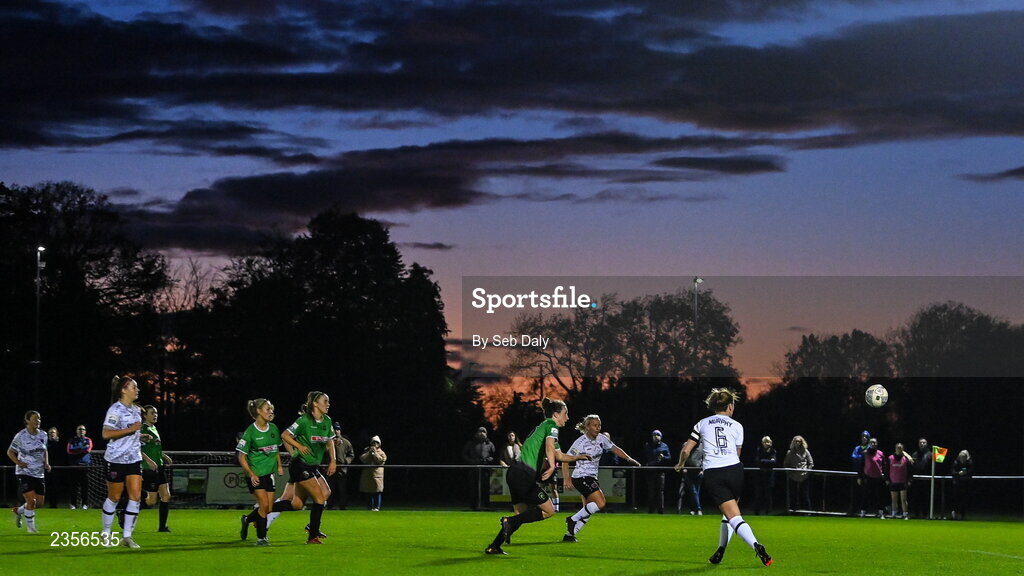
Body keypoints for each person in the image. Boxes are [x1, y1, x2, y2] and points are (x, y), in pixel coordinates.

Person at [673, 388, 772, 567]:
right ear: (730, 407)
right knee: (729, 515)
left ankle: (756, 545)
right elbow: (737, 453)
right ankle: (720, 550)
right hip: (735, 470)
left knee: (734, 517)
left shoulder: (702, 423)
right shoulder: (737, 426)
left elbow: (686, 450)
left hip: (714, 473)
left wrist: (680, 464)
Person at [484, 398, 591, 556]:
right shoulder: (551, 425)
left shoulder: (544, 427)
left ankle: (494, 546)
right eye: (565, 414)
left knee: (520, 515)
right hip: (524, 473)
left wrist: (577, 457)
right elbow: (549, 448)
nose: (567, 418)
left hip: (514, 473)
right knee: (549, 510)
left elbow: (558, 454)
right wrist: (553, 466)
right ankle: (508, 522)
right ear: (556, 414)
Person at [561, 414, 639, 542]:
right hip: (581, 477)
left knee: (588, 509)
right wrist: (566, 479)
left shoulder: (602, 439)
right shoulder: (580, 443)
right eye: (595, 425)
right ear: (587, 427)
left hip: (591, 477)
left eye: (599, 425)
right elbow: (565, 460)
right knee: (600, 503)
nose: (598, 428)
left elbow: (615, 449)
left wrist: (629, 458)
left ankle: (569, 535)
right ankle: (572, 519)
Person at [101, 376, 158, 549]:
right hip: (116, 459)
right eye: (134, 387)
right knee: (114, 497)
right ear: (124, 390)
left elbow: (131, 433)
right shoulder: (114, 410)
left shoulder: (135, 410)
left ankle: (127, 536)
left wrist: (140, 436)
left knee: (136, 497)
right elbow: (106, 434)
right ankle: (106, 532)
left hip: (133, 458)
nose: (137, 390)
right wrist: (131, 430)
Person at [279, 391, 336, 544]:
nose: (328, 404)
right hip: (300, 465)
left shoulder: (327, 420)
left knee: (299, 503)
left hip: (313, 466)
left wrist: (333, 461)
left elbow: (330, 441)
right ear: (315, 404)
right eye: (325, 401)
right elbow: (285, 435)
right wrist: (298, 446)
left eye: (328, 402)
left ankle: (259, 513)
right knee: (319, 499)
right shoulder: (304, 421)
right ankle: (313, 536)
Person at [236, 398, 283, 546]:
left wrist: (279, 465)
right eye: (268, 409)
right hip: (255, 474)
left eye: (271, 409)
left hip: (269, 474)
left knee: (268, 508)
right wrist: (251, 474)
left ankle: (247, 520)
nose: (271, 412)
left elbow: (276, 450)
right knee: (263, 505)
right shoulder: (250, 432)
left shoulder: (274, 428)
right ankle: (261, 538)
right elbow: (241, 456)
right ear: (258, 411)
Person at [8, 410, 51, 533]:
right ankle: (31, 528)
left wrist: (46, 462)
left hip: (39, 472)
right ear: (27, 420)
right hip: (24, 472)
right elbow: (10, 452)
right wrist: (20, 463)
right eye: (35, 419)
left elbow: (44, 450)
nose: (38, 421)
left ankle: (19, 511)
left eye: (39, 419)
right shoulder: (20, 436)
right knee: (31, 501)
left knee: (39, 503)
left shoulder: (43, 434)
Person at [141, 405, 174, 532]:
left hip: (159, 466)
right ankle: (125, 511)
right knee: (151, 501)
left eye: (156, 413)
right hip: (148, 468)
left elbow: (154, 448)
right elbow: (136, 448)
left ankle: (162, 527)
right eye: (152, 413)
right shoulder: (142, 429)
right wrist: (148, 461)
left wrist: (163, 456)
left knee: (166, 496)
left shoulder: (153, 428)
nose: (155, 415)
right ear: (145, 415)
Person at [462, 426, 497, 510]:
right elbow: (464, 455)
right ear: (476, 434)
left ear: (486, 434)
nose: (482, 433)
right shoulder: (471, 443)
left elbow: (494, 456)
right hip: (474, 469)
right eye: (480, 432)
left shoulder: (490, 444)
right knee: (473, 488)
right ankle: (473, 506)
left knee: (486, 488)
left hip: (485, 469)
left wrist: (488, 460)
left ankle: (486, 505)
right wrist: (472, 461)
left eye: (484, 432)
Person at [642, 429, 671, 514]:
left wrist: (663, 457)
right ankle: (651, 510)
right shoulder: (648, 446)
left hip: (660, 472)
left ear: (661, 437)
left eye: (657, 435)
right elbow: (643, 457)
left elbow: (669, 458)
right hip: (650, 472)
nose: (656, 436)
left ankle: (660, 511)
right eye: (654, 435)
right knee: (651, 492)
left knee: (660, 492)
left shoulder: (664, 446)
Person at [328, 421, 354, 510]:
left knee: (342, 489)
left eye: (338, 429)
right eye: (335, 429)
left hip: (342, 469)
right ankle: (329, 505)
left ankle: (342, 506)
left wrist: (346, 461)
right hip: (330, 469)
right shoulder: (328, 442)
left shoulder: (346, 442)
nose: (336, 431)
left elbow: (351, 454)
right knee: (330, 488)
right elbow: (323, 453)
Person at [783, 435, 813, 511]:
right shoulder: (790, 452)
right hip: (793, 476)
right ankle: (794, 510)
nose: (797, 443)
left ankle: (808, 511)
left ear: (801, 442)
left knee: (805, 495)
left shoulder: (806, 451)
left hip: (804, 476)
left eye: (799, 441)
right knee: (793, 495)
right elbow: (786, 464)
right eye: (796, 441)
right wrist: (789, 473)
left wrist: (807, 472)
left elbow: (811, 463)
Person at [67, 424, 93, 509]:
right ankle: (73, 504)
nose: (81, 430)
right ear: (76, 431)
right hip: (74, 465)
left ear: (85, 431)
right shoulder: (72, 440)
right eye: (79, 429)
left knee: (84, 487)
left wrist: (77, 449)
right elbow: (69, 450)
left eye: (83, 429)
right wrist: (82, 448)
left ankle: (85, 504)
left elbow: (88, 450)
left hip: (85, 466)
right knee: (73, 486)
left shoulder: (88, 440)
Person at [859, 437, 886, 518]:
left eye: (874, 442)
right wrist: (860, 477)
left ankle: (881, 513)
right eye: (871, 442)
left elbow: (884, 465)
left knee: (879, 496)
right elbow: (861, 466)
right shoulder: (865, 453)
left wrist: (883, 474)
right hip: (868, 478)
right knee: (865, 495)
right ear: (869, 444)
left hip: (878, 478)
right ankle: (863, 512)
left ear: (877, 443)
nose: (873, 444)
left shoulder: (880, 453)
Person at [359, 436, 386, 511]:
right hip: (367, 475)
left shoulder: (382, 453)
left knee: (377, 492)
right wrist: (369, 453)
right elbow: (362, 459)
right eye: (373, 442)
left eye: (376, 443)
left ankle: (377, 507)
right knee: (368, 491)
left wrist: (375, 454)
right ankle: (369, 506)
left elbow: (381, 461)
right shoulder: (366, 450)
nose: (374, 444)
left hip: (377, 476)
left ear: (379, 444)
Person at [887, 442, 912, 519]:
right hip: (893, 482)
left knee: (903, 500)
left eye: (900, 448)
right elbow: (886, 470)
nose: (899, 449)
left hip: (903, 482)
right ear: (895, 449)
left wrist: (909, 480)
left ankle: (905, 514)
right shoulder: (890, 458)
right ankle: (894, 514)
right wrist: (887, 479)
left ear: (903, 449)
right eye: (898, 448)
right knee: (894, 500)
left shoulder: (906, 459)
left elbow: (910, 471)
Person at [909, 437, 932, 517]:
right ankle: (916, 514)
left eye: (924, 442)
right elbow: (912, 467)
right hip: (916, 480)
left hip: (927, 480)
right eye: (920, 443)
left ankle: (925, 514)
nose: (922, 444)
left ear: (927, 444)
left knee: (925, 498)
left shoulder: (931, 454)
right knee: (916, 497)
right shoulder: (915, 454)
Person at [848, 430, 870, 515]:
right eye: (863, 436)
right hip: (857, 473)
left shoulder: (869, 448)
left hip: (866, 474)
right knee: (855, 493)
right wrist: (863, 456)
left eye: (866, 437)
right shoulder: (857, 448)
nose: (864, 438)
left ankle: (864, 510)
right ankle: (853, 510)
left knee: (865, 493)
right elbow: (854, 458)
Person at [754, 436, 777, 515]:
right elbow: (757, 461)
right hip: (760, 476)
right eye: (764, 442)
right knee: (758, 494)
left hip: (769, 476)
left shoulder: (773, 451)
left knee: (768, 495)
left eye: (768, 442)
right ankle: (757, 511)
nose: (766, 444)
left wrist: (763, 461)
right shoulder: (759, 450)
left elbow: (773, 462)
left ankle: (768, 511)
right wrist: (767, 461)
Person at [949, 449, 974, 520]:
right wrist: (958, 473)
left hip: (965, 484)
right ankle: (954, 514)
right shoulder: (956, 462)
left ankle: (963, 515)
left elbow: (971, 470)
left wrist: (965, 473)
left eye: (964, 457)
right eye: (961, 457)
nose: (962, 458)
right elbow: (952, 471)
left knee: (964, 500)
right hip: (957, 484)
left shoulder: (969, 462)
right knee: (956, 499)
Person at [683, 441, 705, 515]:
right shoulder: (686, 444)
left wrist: (702, 469)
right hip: (689, 471)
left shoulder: (702, 445)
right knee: (692, 491)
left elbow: (704, 458)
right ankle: (697, 509)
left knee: (696, 491)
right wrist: (683, 468)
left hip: (698, 471)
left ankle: (695, 509)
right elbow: (683, 456)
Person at [46, 427, 63, 509]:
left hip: (58, 468)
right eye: (50, 433)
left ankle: (55, 503)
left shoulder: (60, 443)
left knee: (57, 486)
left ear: (56, 434)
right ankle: (51, 503)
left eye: (53, 432)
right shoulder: (46, 443)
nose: (51, 434)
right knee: (49, 486)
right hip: (48, 468)